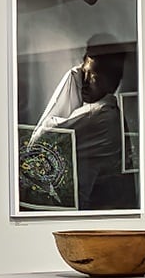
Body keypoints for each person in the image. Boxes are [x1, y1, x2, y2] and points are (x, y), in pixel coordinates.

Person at [37, 37, 135, 211]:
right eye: (84, 73)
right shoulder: (108, 112)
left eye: (93, 77)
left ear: (112, 82)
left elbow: (42, 136)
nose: (84, 83)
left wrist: (72, 75)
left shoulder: (99, 114)